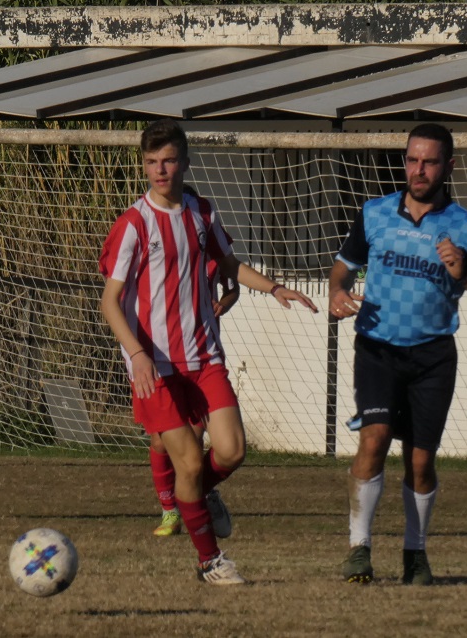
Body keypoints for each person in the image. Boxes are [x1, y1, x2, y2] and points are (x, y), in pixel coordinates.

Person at [99, 119, 318, 585]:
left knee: (232, 450)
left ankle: (194, 495)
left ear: (185, 162)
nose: (161, 170)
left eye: (169, 160)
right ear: (144, 166)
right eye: (152, 162)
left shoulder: (202, 212)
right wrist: (136, 354)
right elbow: (109, 302)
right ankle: (210, 561)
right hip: (154, 366)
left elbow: (229, 264)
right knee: (190, 462)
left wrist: (274, 287)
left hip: (204, 356)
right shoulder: (133, 223)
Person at [330, 123, 467, 586]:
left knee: (421, 461)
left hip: (433, 356)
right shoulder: (374, 213)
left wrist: (465, 273)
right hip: (378, 348)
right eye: (412, 160)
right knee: (374, 438)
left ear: (449, 166)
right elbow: (343, 267)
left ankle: (415, 554)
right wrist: (336, 291)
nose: (419, 170)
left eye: (429, 162)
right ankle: (358, 549)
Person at [149, 185, 239, 538]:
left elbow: (233, 285)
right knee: (161, 442)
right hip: (163, 357)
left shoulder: (212, 244)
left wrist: (223, 303)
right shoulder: (153, 242)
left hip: (202, 355)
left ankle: (196, 496)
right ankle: (170, 508)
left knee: (198, 440)